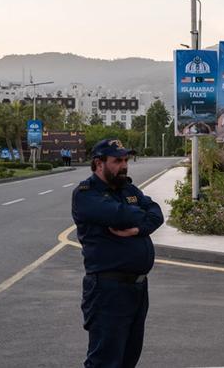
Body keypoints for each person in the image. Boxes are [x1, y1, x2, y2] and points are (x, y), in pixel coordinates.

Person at [71, 138, 164, 368]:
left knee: (128, 358)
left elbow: (156, 213)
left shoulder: (128, 189)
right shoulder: (86, 194)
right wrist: (137, 215)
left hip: (137, 289)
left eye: (125, 160)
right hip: (108, 290)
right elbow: (120, 214)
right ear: (98, 164)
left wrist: (139, 228)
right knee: (105, 361)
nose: (124, 166)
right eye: (116, 161)